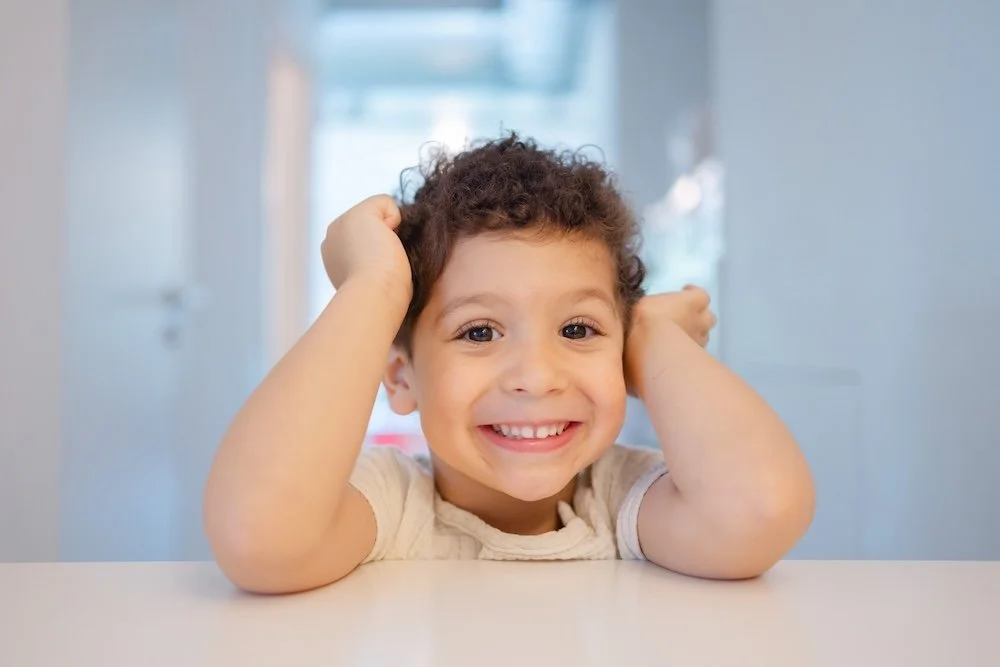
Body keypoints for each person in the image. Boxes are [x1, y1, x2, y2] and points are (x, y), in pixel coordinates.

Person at [203, 134, 815, 594]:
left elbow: (759, 511)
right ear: (400, 375)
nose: (537, 376)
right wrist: (373, 288)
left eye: (578, 329)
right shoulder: (392, 505)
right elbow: (259, 536)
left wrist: (653, 336)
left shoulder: (618, 502)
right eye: (479, 331)